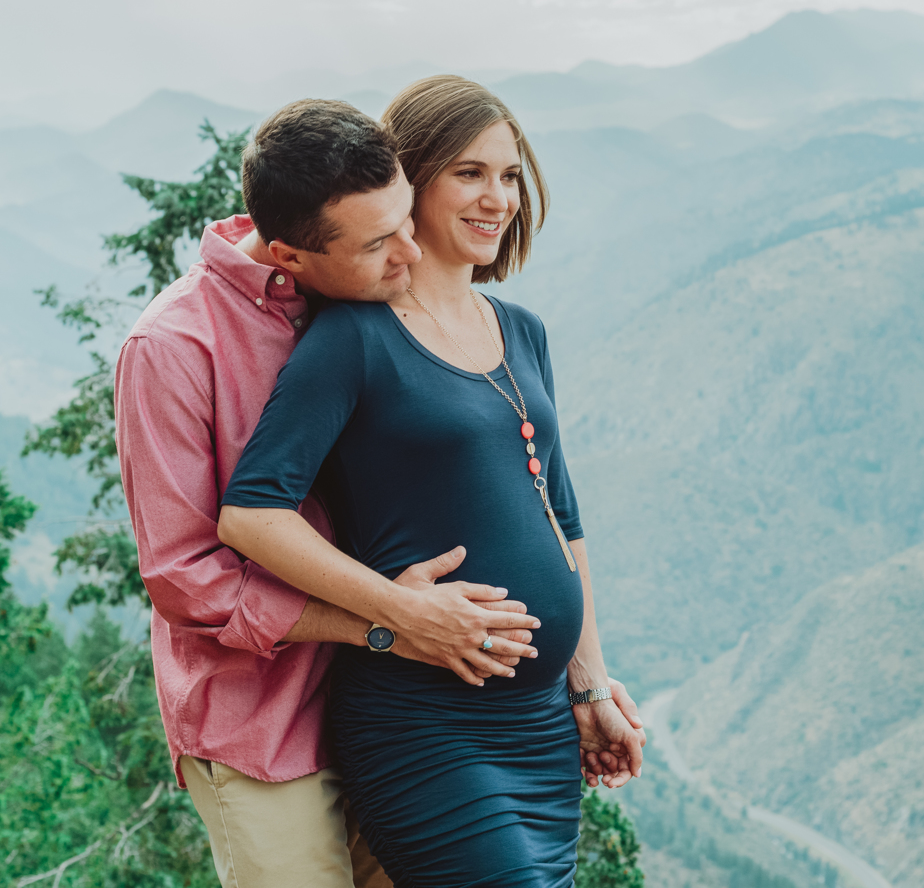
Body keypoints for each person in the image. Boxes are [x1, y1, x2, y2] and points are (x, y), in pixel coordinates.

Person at [218, 76, 645, 888]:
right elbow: (252, 513)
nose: (498, 198)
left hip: (538, 728)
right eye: (471, 173)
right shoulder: (353, 336)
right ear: (411, 182)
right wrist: (398, 608)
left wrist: (588, 685)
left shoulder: (521, 331)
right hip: (425, 722)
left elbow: (561, 516)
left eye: (510, 174)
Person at [114, 99, 554, 888]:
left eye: (406, 222)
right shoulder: (172, 348)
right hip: (264, 727)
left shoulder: (362, 296)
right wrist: (387, 619)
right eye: (383, 242)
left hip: (402, 707)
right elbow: (185, 576)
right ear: (290, 255)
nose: (410, 253)